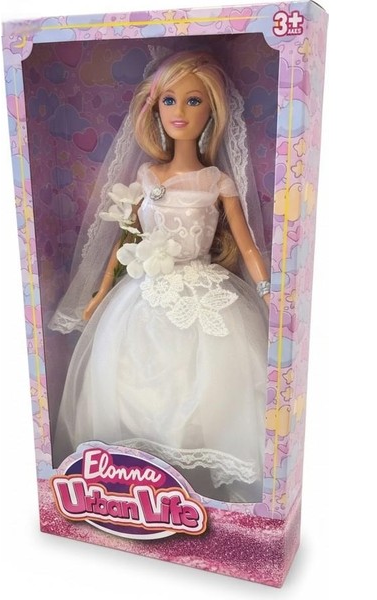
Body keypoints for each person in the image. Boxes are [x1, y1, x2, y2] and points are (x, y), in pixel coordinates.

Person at [50, 50, 270, 503]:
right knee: (132, 382)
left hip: (203, 292)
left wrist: (269, 291)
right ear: (154, 107)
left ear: (212, 110)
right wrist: (100, 293)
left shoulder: (217, 181)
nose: (179, 111)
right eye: (169, 100)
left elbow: (247, 245)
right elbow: (124, 239)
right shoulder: (147, 176)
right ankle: (132, 480)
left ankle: (197, 489)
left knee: (206, 384)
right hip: (142, 295)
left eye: (194, 101)